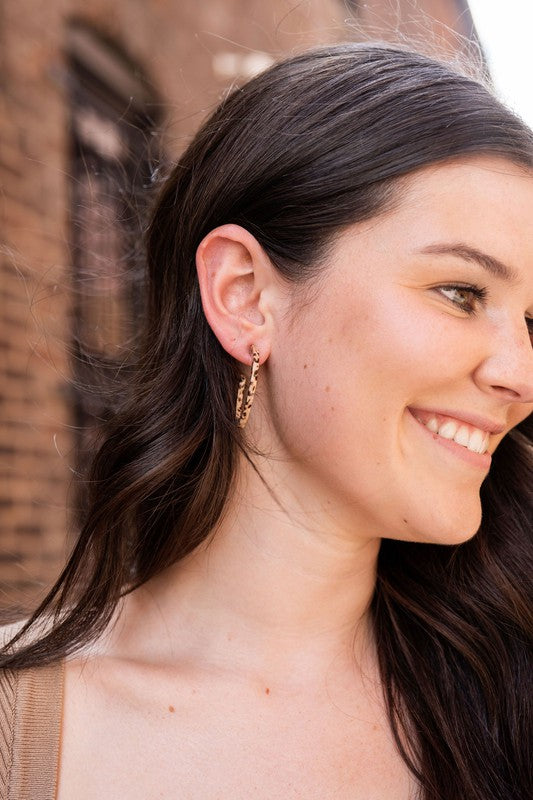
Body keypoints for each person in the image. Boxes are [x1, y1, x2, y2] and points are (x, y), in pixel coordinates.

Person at [1, 41, 532, 800]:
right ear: (246, 295)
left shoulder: (504, 706)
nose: (519, 375)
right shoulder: (21, 733)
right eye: (460, 292)